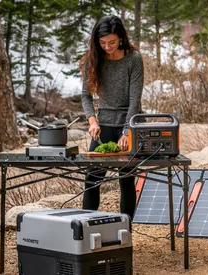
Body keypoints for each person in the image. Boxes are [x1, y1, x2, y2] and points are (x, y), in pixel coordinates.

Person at [79, 15, 144, 220]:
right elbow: (85, 95)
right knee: (92, 177)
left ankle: (126, 231)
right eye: (103, 42)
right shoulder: (93, 59)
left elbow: (135, 100)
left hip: (130, 122)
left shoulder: (133, 59)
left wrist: (127, 131)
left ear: (121, 38)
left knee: (126, 178)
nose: (107, 46)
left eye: (112, 42)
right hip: (105, 122)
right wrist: (92, 121)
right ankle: (86, 227)